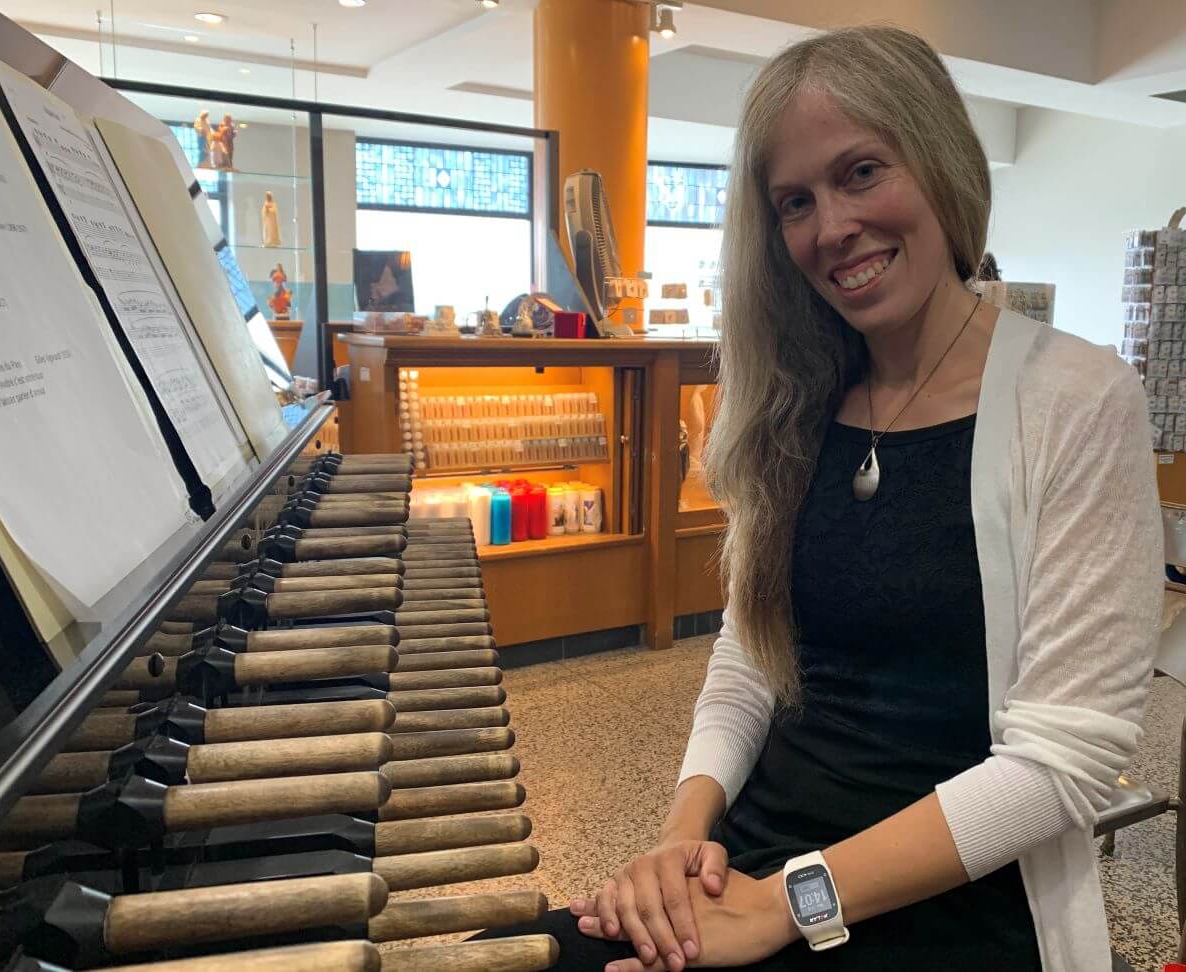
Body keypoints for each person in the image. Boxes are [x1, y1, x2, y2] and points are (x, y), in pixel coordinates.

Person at [472, 25, 1163, 971]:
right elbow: (752, 652)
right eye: (795, 201)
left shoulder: (1077, 401)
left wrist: (786, 907)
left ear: (944, 162)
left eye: (863, 172)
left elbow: (1060, 767)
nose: (831, 226)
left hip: (949, 903)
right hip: (755, 870)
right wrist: (682, 837)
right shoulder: (797, 397)